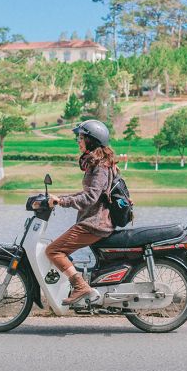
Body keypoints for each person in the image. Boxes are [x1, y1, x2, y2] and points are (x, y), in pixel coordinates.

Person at [45, 119, 117, 305]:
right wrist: (61, 198)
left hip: (94, 224)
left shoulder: (100, 167)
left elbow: (90, 197)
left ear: (91, 141)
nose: (78, 141)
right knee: (60, 250)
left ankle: (80, 286)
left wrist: (63, 201)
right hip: (92, 221)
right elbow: (88, 193)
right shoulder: (97, 164)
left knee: (53, 250)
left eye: (81, 138)